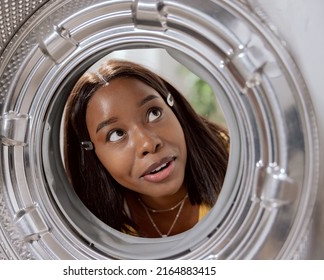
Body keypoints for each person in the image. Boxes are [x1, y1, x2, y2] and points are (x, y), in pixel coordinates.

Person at [63, 59, 229, 238]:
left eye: (154, 113)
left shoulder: (242, 160)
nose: (149, 144)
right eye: (116, 134)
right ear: (90, 154)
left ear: (174, 108)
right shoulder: (88, 234)